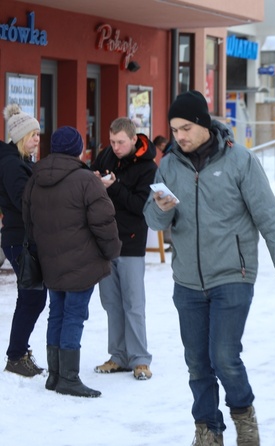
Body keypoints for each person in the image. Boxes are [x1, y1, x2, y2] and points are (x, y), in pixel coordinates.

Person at [143, 90, 275, 446]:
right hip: (187, 280)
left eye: (186, 127)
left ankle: (244, 419)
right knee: (197, 362)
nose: (179, 136)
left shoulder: (240, 161)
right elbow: (153, 220)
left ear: (203, 123)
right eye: (174, 129)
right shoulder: (169, 164)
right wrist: (161, 207)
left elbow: (270, 220)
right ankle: (207, 430)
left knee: (224, 357)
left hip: (233, 275)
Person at [23, 126, 121, 397]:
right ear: (78, 149)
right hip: (82, 262)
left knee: (57, 313)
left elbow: (28, 220)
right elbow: (104, 222)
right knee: (74, 316)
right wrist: (112, 251)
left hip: (50, 260)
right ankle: (68, 377)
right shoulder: (86, 180)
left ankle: (54, 375)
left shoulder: (36, 177)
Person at [91, 117, 157, 380]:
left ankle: (140, 359)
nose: (115, 147)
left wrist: (114, 186)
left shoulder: (148, 167)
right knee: (110, 302)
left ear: (133, 139)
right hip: (104, 240)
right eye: (112, 141)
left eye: (120, 142)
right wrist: (94, 178)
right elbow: (90, 176)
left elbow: (140, 205)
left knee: (133, 303)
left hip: (130, 241)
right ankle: (118, 356)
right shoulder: (105, 156)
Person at [1, 104, 48, 377]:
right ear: (20, 136)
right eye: (33, 135)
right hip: (20, 239)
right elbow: (23, 202)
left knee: (32, 296)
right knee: (32, 297)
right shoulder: (12, 164)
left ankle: (18, 351)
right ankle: (16, 355)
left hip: (24, 238)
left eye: (39, 135)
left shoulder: (21, 161)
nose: (37, 140)